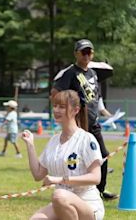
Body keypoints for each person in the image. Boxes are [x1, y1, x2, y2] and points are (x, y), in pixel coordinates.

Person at [51, 39, 118, 200]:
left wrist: (103, 111)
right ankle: (70, 189)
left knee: (102, 155)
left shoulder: (93, 73)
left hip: (93, 122)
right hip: (78, 123)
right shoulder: (70, 73)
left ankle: (100, 191)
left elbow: (96, 96)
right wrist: (66, 111)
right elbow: (55, 92)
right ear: (76, 53)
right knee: (76, 158)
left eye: (89, 52)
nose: (87, 55)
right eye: (83, 52)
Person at [21, 90, 104, 220]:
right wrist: (30, 144)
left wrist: (60, 180)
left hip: (87, 204)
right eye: (55, 106)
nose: (56, 110)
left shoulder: (87, 139)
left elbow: (95, 177)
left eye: (62, 107)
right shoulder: (53, 141)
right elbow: (38, 175)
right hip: (61, 203)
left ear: (76, 110)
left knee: (59, 195)